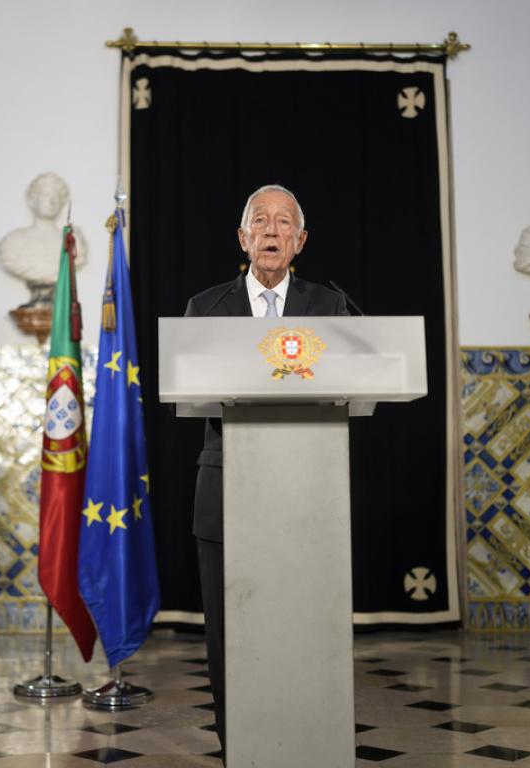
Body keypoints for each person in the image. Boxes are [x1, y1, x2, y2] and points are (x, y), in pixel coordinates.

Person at [183, 184, 348, 760]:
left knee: (301, 626)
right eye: (260, 220)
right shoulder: (205, 308)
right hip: (226, 488)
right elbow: (188, 387)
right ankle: (239, 751)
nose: (271, 230)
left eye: (283, 222)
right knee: (230, 633)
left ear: (300, 240)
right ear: (242, 237)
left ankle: (304, 746)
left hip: (308, 490)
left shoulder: (331, 308)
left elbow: (354, 378)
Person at [0, 172, 88, 305]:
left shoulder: (72, 241)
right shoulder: (13, 242)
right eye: (46, 195)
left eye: (56, 197)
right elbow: (10, 260)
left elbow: (77, 260)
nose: (52, 202)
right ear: (32, 200)